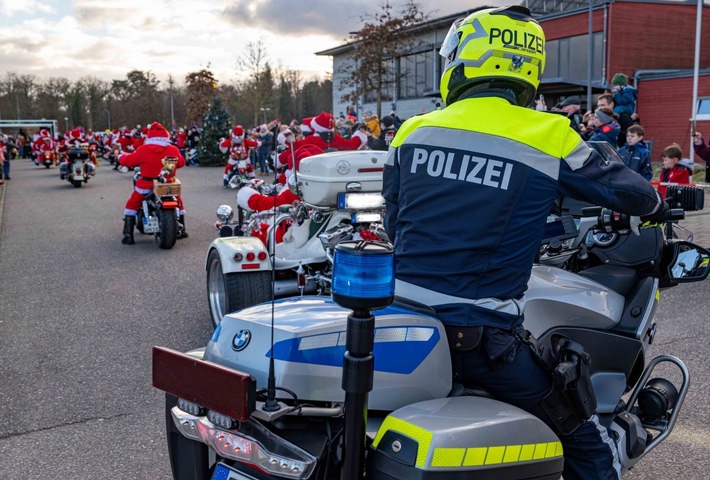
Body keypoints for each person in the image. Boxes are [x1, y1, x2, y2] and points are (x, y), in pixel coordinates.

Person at [382, 6, 667, 480]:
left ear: (464, 61)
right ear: (527, 65)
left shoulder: (413, 131)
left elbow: (397, 223)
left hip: (403, 323)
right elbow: (630, 192)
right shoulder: (548, 133)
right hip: (478, 338)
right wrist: (658, 204)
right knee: (585, 438)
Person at [118, 122, 188, 244]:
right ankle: (183, 230)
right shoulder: (173, 149)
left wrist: (119, 157)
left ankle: (128, 235)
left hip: (146, 184)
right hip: (166, 185)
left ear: (149, 137)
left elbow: (129, 161)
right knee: (178, 203)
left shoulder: (144, 149)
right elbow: (181, 163)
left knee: (132, 204)